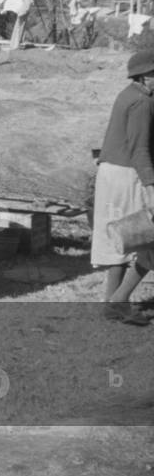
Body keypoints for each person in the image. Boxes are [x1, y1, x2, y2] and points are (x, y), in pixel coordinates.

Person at [91, 49, 154, 325]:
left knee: (120, 239)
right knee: (146, 240)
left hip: (111, 173)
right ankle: (119, 300)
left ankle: (112, 304)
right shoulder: (142, 103)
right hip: (128, 174)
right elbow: (139, 150)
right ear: (145, 75)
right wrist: (152, 187)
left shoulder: (129, 95)